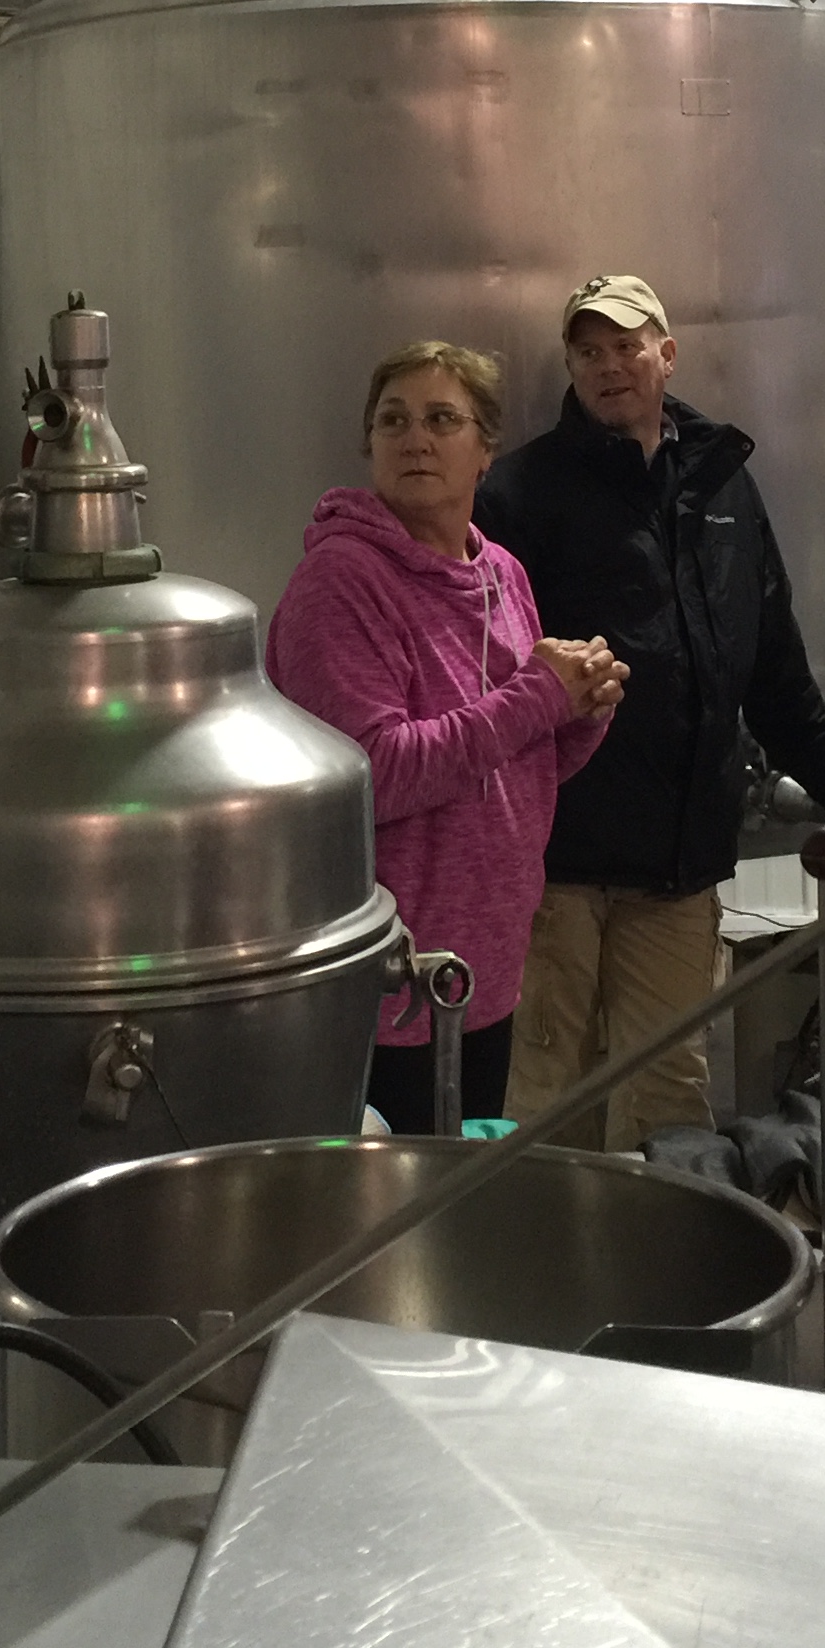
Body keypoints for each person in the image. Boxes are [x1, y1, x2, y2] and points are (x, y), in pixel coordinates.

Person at [476, 275, 825, 1151]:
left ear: (668, 354)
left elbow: (770, 656)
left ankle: (664, 1282)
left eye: (627, 344)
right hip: (558, 865)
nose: (609, 365)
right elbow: (481, 679)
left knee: (670, 1092)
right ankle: (541, 1279)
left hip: (680, 861)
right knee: (548, 1091)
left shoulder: (724, 490)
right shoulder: (518, 497)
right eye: (587, 351)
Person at [265, 341, 624, 1131]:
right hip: (388, 981)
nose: (414, 438)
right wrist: (538, 699)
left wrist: (582, 712)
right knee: (394, 1224)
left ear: (485, 449)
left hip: (483, 965)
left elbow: (523, 767)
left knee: (460, 1213)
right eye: (392, 420)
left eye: (440, 419)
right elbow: (373, 774)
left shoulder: (502, 573)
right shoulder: (342, 584)